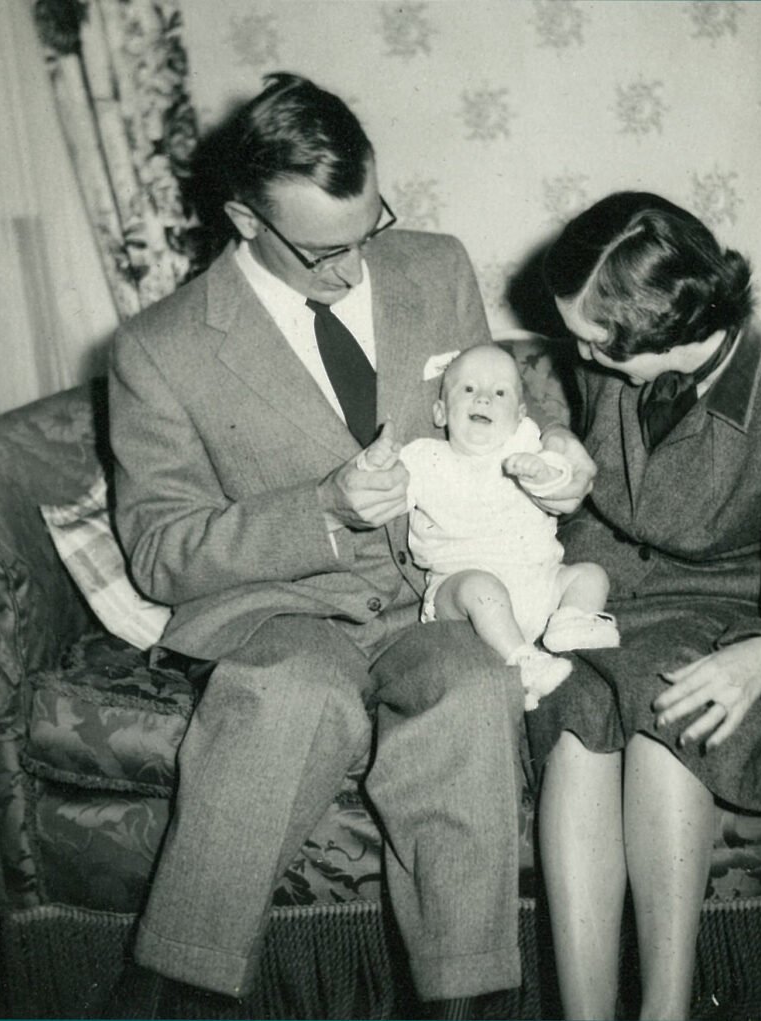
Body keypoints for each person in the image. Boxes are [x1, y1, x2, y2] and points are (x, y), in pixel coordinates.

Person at [106, 72, 594, 1019]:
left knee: (473, 690)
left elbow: (499, 407)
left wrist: (557, 456)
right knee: (289, 691)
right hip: (284, 608)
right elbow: (160, 551)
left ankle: (468, 1004)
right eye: (327, 251)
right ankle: (172, 994)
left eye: (371, 228)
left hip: (441, 592)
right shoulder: (158, 347)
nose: (357, 266)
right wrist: (322, 508)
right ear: (245, 220)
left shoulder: (434, 266)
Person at [526, 192, 761, 1020]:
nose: (579, 354)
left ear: (664, 327)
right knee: (574, 710)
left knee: (671, 708)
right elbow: (540, 400)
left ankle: (667, 1009)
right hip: (591, 593)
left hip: (714, 619)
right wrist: (552, 446)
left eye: (595, 342)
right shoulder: (607, 358)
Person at [360, 344, 619, 711]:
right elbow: (382, 493)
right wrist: (375, 464)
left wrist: (543, 473)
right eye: (468, 389)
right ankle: (523, 662)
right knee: (481, 588)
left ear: (520, 414)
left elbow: (561, 478)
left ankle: (571, 623)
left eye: (499, 393)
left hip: (541, 585)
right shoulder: (423, 459)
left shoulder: (525, 442)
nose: (483, 398)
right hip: (462, 591)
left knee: (591, 575)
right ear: (440, 412)